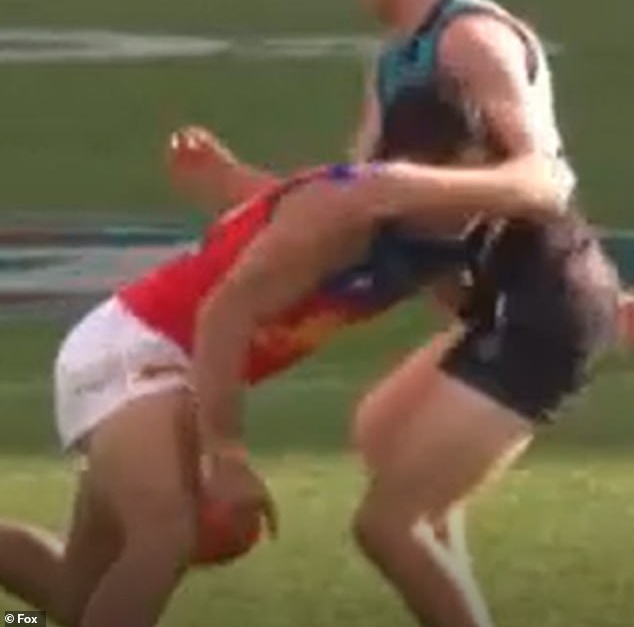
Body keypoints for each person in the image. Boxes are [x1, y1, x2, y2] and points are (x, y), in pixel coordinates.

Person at [195, 0, 620, 627]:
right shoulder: (396, 61)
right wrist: (238, 185)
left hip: (545, 306)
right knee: (381, 434)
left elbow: (544, 179)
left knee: (386, 524)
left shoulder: (472, 39)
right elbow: (350, 203)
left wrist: (404, 184)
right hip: (496, 304)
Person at [0, 113, 563, 627]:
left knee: (73, 601)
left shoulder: (438, 236)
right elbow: (223, 316)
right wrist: (227, 454)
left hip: (174, 368)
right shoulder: (347, 215)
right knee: (164, 533)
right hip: (136, 349)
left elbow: (473, 303)